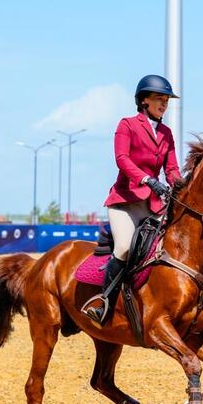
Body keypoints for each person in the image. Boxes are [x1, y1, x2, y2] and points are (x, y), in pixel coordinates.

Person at [84, 74, 183, 324]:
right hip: (125, 202)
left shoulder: (167, 133)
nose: (164, 104)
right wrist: (148, 180)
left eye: (166, 100)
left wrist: (181, 186)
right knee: (126, 248)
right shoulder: (127, 125)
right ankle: (104, 302)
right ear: (143, 101)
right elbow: (122, 159)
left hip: (154, 204)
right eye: (159, 99)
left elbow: (171, 169)